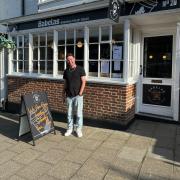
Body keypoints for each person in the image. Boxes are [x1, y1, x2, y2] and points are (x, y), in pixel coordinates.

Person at [63, 53, 86, 137]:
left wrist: (80, 93)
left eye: (71, 59)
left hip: (78, 96)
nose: (70, 61)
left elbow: (84, 81)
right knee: (69, 113)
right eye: (68, 60)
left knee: (79, 114)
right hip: (69, 96)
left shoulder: (80, 69)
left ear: (74, 59)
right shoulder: (66, 71)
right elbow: (65, 84)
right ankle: (70, 129)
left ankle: (78, 129)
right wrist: (63, 94)